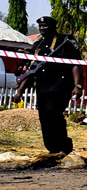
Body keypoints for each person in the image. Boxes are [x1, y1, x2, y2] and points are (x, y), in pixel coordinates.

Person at [14, 16, 82, 154]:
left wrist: (78, 85)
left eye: (45, 26)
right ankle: (52, 148)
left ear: (53, 26)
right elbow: (32, 71)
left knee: (54, 114)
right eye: (41, 26)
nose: (42, 29)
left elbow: (76, 64)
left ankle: (64, 146)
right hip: (42, 87)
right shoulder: (38, 45)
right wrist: (20, 92)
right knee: (44, 118)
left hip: (61, 86)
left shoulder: (65, 41)